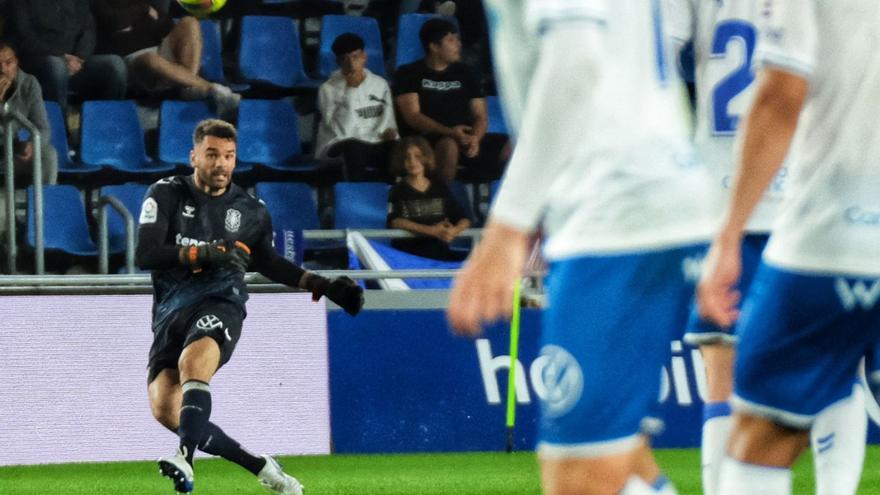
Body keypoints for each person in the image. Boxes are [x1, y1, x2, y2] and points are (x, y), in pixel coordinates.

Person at [448, 1, 716, 494]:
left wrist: (508, 228)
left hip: (616, 209)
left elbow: (575, 63)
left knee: (578, 476)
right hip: (647, 192)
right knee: (624, 459)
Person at [666, 2, 868, 494]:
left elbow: (659, 64)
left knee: (725, 375)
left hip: (735, 194)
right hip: (820, 193)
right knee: (838, 368)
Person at [135, 119, 364, 494]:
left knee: (194, 362)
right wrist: (207, 252)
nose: (221, 164)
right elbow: (146, 253)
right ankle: (261, 466)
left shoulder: (250, 209)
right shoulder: (165, 193)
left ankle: (184, 459)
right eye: (212, 155)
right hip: (170, 311)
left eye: (228, 156)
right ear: (193, 156)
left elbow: (268, 261)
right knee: (164, 408)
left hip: (221, 300)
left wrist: (322, 285)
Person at [394, 18, 508, 182]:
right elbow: (413, 116)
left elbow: (480, 115)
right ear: (434, 47)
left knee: (514, 146)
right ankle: (443, 195)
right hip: (429, 138)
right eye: (451, 40)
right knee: (449, 146)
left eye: (457, 39)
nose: (458, 45)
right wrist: (450, 132)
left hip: (467, 137)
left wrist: (475, 138)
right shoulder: (409, 73)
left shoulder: (467, 73)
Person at [90, 0, 239, 109]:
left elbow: (165, 23)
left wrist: (132, 22)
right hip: (130, 59)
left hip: (159, 47)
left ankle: (189, 87)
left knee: (189, 22)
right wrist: (143, 11)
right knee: (151, 59)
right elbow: (114, 22)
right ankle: (207, 87)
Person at [8, 0, 127, 107]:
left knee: (115, 65)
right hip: (38, 61)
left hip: (74, 63)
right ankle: (58, 121)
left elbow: (88, 30)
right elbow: (24, 36)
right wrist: (61, 56)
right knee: (56, 66)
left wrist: (80, 57)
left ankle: (105, 120)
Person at [316, 32, 397, 181]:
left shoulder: (380, 84)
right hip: (338, 143)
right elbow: (340, 130)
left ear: (364, 57)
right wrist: (351, 90)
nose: (351, 63)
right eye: (345, 59)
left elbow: (388, 120)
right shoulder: (327, 89)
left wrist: (388, 132)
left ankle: (388, 192)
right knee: (354, 147)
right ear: (338, 62)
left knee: (395, 148)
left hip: (374, 141)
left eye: (355, 57)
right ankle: (353, 191)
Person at [386, 136, 470, 261]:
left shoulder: (440, 187)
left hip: (439, 256)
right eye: (407, 157)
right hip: (408, 258)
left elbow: (464, 219)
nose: (412, 161)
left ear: (426, 158)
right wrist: (433, 231)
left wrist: (453, 231)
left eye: (417, 156)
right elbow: (396, 222)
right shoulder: (397, 190)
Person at [0, 40, 58, 185]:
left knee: (48, 154)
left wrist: (31, 145)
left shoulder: (29, 83)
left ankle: (44, 199)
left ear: (16, 62)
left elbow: (43, 128)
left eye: (8, 63)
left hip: (13, 150)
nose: (3, 69)